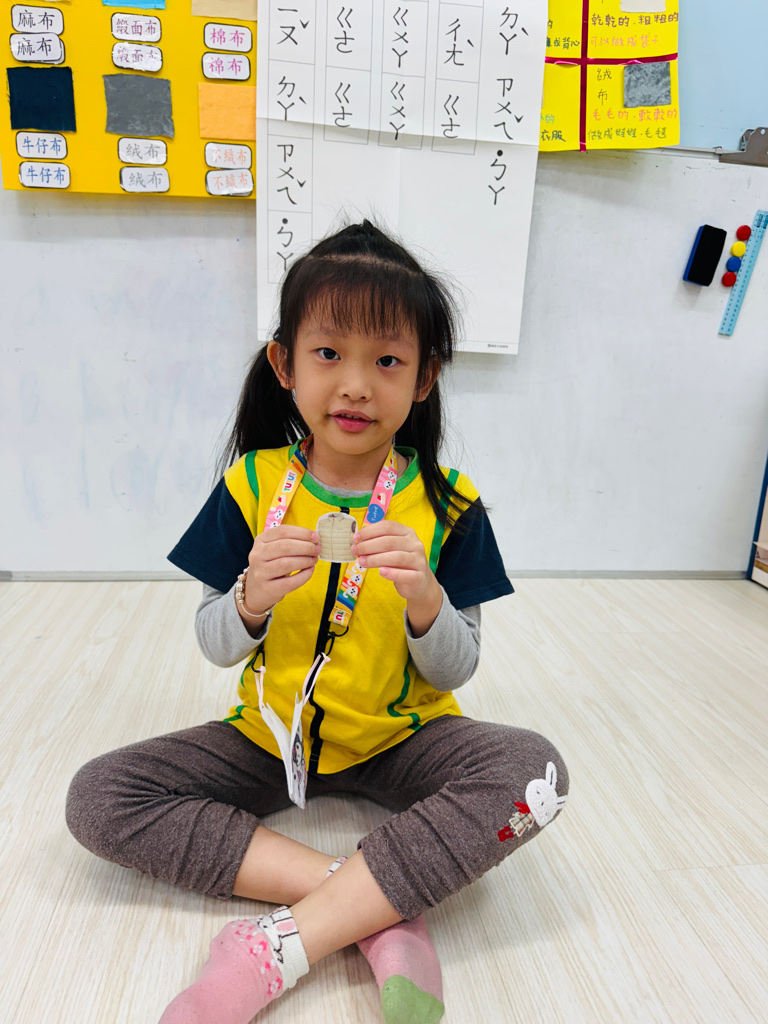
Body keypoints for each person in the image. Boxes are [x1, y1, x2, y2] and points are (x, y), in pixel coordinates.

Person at [66, 220, 568, 1024]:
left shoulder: (452, 506)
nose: (356, 386)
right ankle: (373, 911)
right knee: (99, 797)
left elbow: (458, 668)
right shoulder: (249, 486)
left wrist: (427, 601)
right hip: (271, 737)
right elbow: (212, 642)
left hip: (404, 738)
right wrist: (249, 602)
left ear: (426, 378)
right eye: (329, 353)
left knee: (536, 773)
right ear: (285, 365)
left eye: (388, 361)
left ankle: (276, 945)